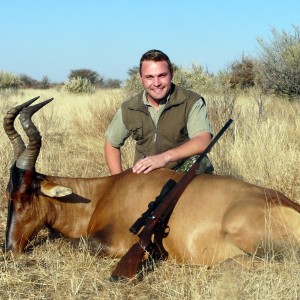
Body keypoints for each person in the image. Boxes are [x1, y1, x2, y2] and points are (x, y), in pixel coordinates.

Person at [104, 49, 214, 175]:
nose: (156, 83)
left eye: (162, 75)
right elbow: (111, 144)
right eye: (149, 77)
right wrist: (119, 180)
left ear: (171, 74)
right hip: (146, 175)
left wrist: (164, 158)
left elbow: (203, 140)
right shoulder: (129, 108)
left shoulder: (191, 101)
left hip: (181, 172)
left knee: (200, 163)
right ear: (141, 79)